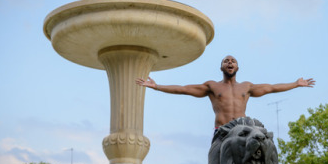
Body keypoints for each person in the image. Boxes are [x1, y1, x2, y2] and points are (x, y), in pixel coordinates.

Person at [135, 55, 315, 128]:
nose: (229, 62)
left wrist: (295, 84)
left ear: (238, 66)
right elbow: (183, 90)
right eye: (226, 61)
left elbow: (272, 88)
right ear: (221, 66)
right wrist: (157, 86)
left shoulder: (247, 87)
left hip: (242, 128)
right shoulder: (212, 86)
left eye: (233, 61)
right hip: (221, 130)